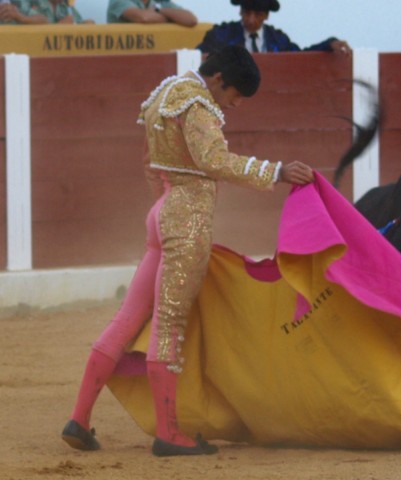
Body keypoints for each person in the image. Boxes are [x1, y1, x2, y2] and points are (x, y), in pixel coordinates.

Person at [61, 45, 315, 457]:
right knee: (169, 323)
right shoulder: (198, 103)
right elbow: (213, 159)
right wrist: (275, 171)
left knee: (127, 318)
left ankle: (79, 417)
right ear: (217, 79)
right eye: (234, 95)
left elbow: (148, 160)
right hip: (187, 217)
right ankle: (169, 434)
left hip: (162, 210)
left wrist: (163, 206)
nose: (233, 105)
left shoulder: (165, 93)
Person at [197, 0, 351, 58]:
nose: (251, 19)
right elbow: (198, 55)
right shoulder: (222, 34)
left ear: (266, 16)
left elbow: (299, 57)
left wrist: (329, 44)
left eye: (258, 14)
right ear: (240, 12)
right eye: (247, 13)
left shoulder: (277, 39)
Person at [107, 0, 197, 26]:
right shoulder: (118, 1)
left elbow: (191, 20)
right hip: (125, 56)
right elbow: (144, 18)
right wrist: (172, 18)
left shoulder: (161, 2)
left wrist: (159, 10)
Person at [1, 0, 94, 24]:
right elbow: (42, 21)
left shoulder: (65, 6)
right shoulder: (27, 2)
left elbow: (78, 22)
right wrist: (59, 28)